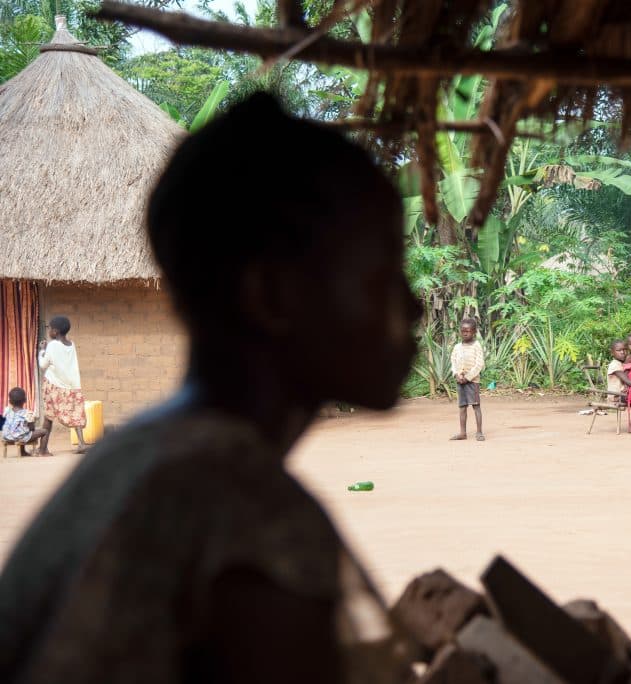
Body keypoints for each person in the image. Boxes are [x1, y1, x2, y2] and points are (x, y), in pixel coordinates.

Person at [0, 93, 421, 684]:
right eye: (381, 276)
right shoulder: (247, 514)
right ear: (272, 296)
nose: (415, 304)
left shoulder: (140, 457)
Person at [36, 316, 87, 455]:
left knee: (48, 417)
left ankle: (42, 449)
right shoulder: (72, 344)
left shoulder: (52, 345)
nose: (49, 331)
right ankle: (81, 444)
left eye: (50, 328)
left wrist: (41, 351)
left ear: (56, 331)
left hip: (54, 385)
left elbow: (42, 365)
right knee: (75, 414)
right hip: (72, 386)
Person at [450, 318, 485, 441]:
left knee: (476, 406)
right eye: (463, 331)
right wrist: (457, 375)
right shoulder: (457, 347)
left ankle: (479, 432)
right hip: (460, 381)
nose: (465, 333)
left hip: (472, 381)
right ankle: (462, 433)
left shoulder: (477, 346)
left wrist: (468, 377)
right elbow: (453, 361)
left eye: (468, 331)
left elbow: (479, 364)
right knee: (462, 407)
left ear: (474, 332)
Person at [2, 388, 48, 456]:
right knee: (44, 431)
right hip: (20, 437)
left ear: (10, 401)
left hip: (7, 436)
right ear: (25, 400)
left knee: (21, 429)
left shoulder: (7, 411)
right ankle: (42, 452)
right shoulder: (27, 413)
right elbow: (32, 428)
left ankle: (22, 452)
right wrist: (32, 425)